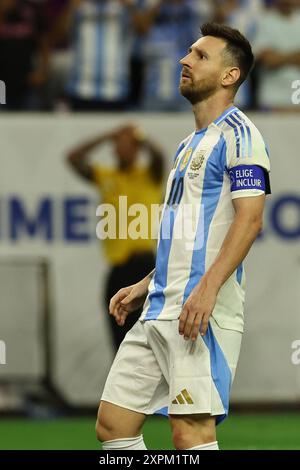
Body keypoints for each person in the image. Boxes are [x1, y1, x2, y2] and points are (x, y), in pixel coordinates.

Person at [96, 22, 271, 450]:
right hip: (160, 305)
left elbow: (249, 221)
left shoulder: (241, 135)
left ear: (230, 76)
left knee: (189, 434)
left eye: (200, 55)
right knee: (114, 426)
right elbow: (185, 236)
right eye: (188, 52)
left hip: (200, 312)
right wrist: (145, 284)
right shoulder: (186, 145)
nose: (184, 60)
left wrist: (208, 290)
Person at [67, 124, 164, 351]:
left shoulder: (149, 175)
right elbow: (73, 158)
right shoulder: (107, 176)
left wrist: (141, 136)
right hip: (118, 270)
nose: (119, 150)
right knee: (120, 342)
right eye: (116, 145)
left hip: (145, 267)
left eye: (126, 145)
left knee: (152, 337)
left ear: (137, 149)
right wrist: (107, 135)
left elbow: (159, 156)